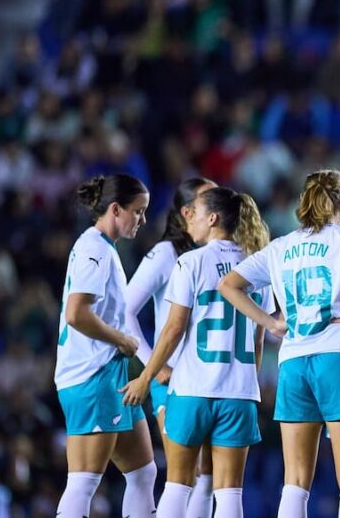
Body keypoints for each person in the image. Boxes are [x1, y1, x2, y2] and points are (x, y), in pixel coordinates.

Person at [217, 169, 340, 518]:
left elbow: (228, 285)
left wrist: (271, 322)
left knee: (294, 481)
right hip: (338, 355)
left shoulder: (280, 246)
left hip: (293, 361)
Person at [122, 187, 274, 518]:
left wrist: (146, 378)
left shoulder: (190, 261)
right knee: (229, 492)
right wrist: (247, 384)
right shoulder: (259, 267)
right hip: (238, 394)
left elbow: (173, 329)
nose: (189, 219)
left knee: (178, 484)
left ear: (213, 218)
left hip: (192, 389)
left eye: (196, 213)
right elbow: (258, 340)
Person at [55, 174, 156, 518]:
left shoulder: (102, 247)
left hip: (109, 374)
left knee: (143, 472)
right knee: (83, 482)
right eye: (137, 211)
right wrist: (122, 339)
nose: (142, 220)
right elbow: (76, 314)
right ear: (115, 209)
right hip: (91, 377)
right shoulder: (94, 249)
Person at [125, 176, 217, 516]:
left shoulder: (210, 253)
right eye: (209, 199)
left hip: (206, 380)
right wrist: (155, 365)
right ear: (187, 212)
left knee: (207, 476)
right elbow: (124, 311)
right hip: (174, 381)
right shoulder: (166, 253)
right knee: (184, 476)